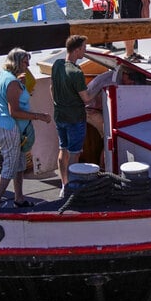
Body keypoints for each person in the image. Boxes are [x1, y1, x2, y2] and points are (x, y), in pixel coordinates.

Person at [0, 48, 51, 208]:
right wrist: (39, 116)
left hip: (11, 127)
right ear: (16, 62)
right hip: (10, 128)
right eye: (25, 62)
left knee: (20, 164)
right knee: (10, 166)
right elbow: (14, 112)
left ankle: (19, 198)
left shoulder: (5, 75)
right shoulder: (12, 83)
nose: (28, 65)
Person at [50, 34, 91, 197]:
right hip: (75, 118)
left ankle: (64, 184)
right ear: (77, 50)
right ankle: (72, 189)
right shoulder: (76, 72)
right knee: (75, 153)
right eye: (84, 48)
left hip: (60, 116)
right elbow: (86, 98)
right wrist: (99, 88)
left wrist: (58, 104)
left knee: (63, 149)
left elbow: (52, 88)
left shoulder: (57, 65)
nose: (85, 51)